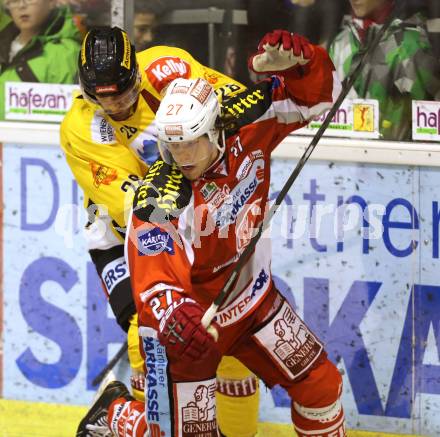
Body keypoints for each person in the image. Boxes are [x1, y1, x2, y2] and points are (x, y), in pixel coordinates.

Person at [76, 29, 345, 437]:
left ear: (217, 130)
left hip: (252, 299)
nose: (181, 157)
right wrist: (174, 316)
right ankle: (117, 415)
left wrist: (304, 66)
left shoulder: (246, 125)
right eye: (170, 146)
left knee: (323, 387)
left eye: (190, 144)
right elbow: (152, 274)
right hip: (191, 323)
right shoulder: (159, 195)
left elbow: (322, 96)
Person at [61, 26, 260, 437]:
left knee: (234, 336)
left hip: (200, 223)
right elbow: (139, 208)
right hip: (125, 236)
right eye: (102, 94)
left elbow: (232, 98)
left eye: (122, 89)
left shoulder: (169, 67)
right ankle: (118, 414)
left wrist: (244, 113)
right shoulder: (80, 127)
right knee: (147, 336)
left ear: (137, 72)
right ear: (86, 90)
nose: (114, 102)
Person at [329, 0, 440, 141]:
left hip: (388, 158)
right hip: (339, 158)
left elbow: (420, 138)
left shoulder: (411, 48)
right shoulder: (341, 43)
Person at [0, 0, 81, 120]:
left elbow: (67, 118)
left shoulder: (65, 53)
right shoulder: (4, 45)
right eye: (14, 0)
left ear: (52, 3)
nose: (22, 6)